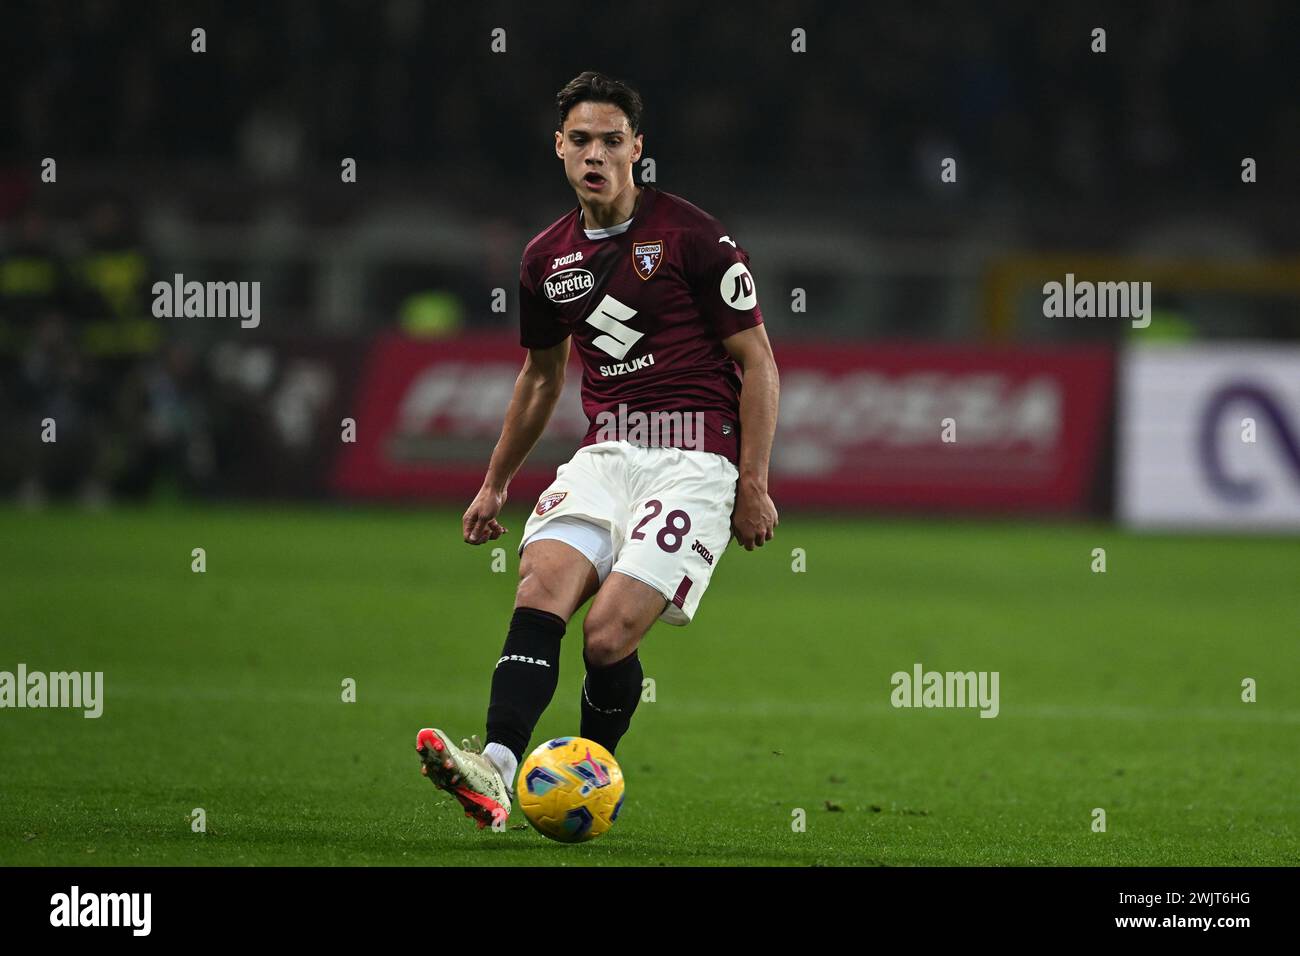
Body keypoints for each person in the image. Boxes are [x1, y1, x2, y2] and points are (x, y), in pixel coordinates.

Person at [417, 71, 780, 830]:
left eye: (612, 141)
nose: (596, 154)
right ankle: (495, 771)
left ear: (637, 150)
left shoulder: (694, 237)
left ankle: (586, 773)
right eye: (581, 140)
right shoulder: (545, 258)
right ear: (559, 148)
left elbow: (759, 362)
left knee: (607, 635)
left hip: (695, 460)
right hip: (605, 453)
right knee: (539, 586)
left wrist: (753, 483)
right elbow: (541, 375)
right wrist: (494, 483)